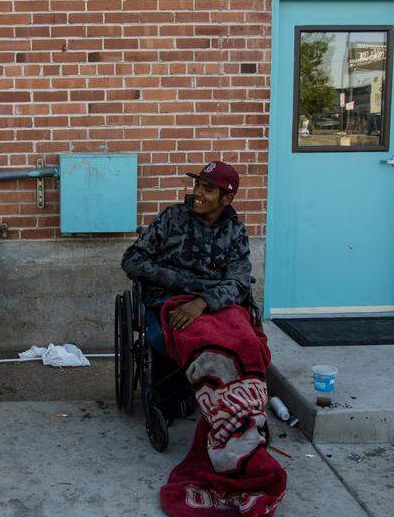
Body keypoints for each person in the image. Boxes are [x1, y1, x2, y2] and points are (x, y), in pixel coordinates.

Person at [122, 161, 286, 517]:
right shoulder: (171, 220)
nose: (197, 193)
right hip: (173, 303)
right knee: (211, 350)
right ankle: (223, 427)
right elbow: (132, 260)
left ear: (226, 198)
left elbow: (240, 281)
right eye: (198, 185)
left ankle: (241, 423)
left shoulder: (235, 233)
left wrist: (205, 300)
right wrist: (183, 286)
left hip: (218, 303)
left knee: (248, 345)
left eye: (207, 189)